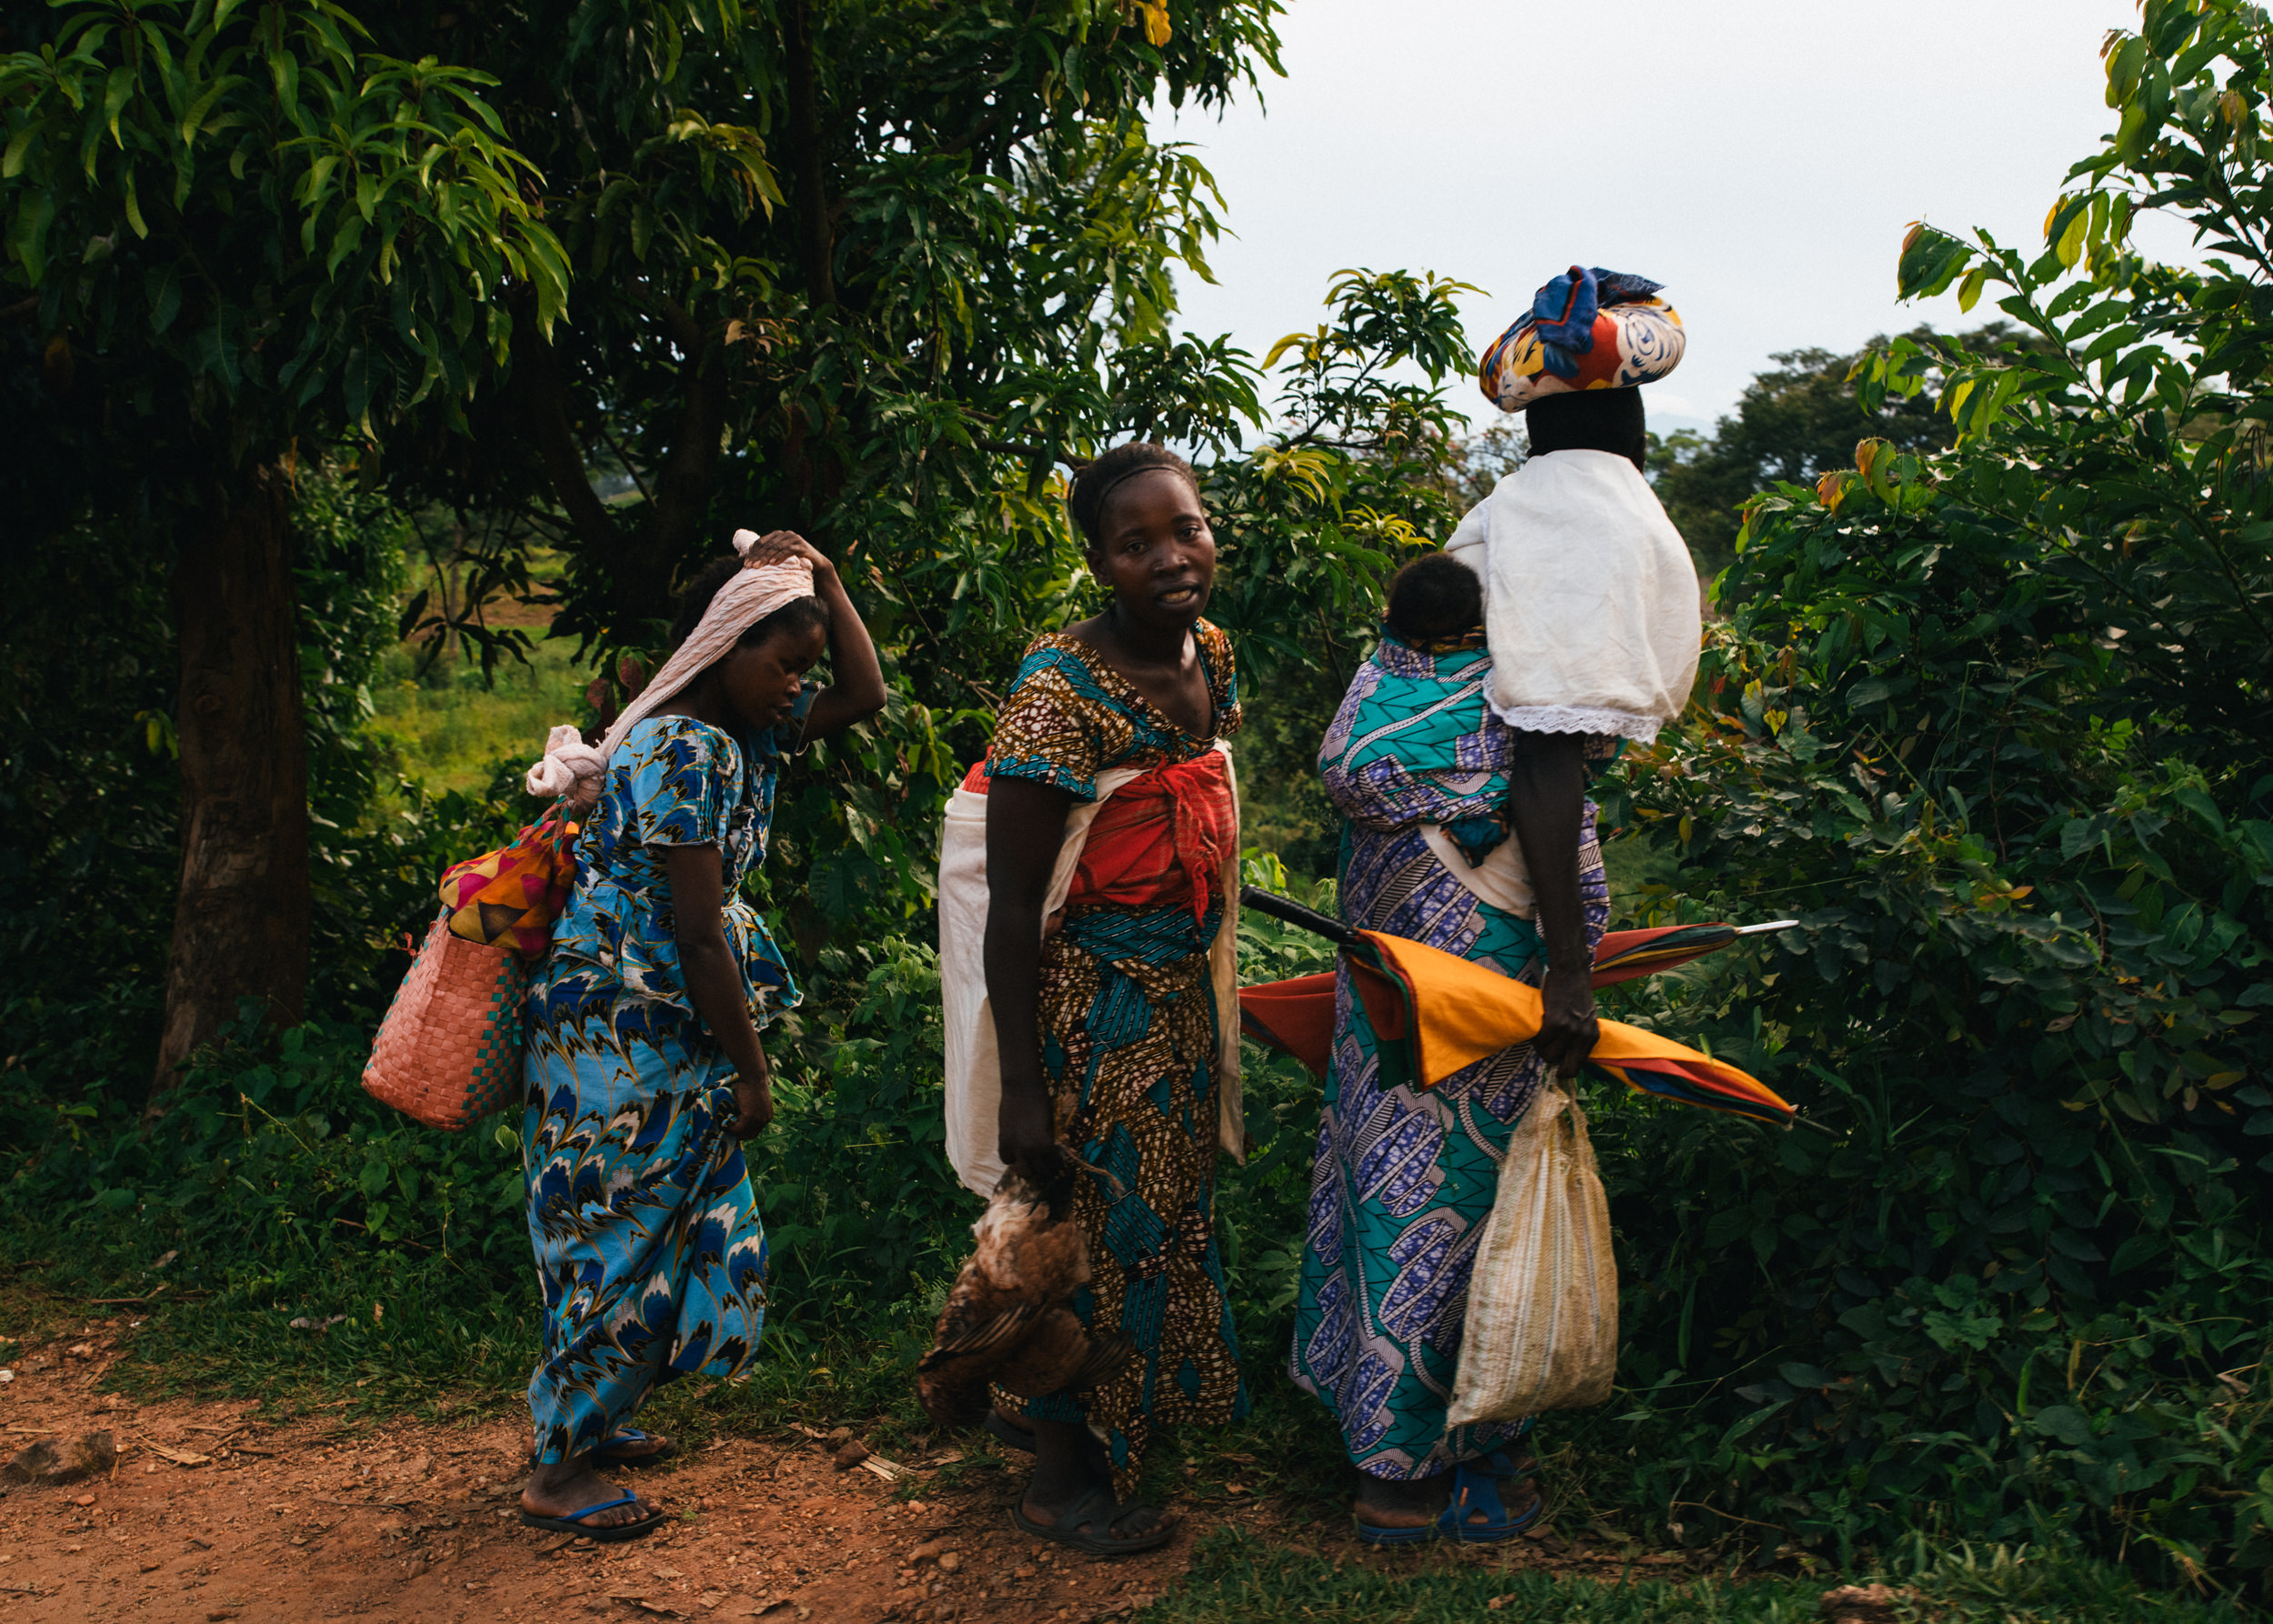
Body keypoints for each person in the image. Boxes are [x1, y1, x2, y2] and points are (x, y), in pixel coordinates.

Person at [1291, 265, 1701, 1545]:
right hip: (1485, 920)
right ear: (1634, 419)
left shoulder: (1500, 513)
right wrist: (1569, 975)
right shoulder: (1615, 528)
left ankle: (1397, 1439)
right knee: (1460, 1182)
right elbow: (1550, 760)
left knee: (1390, 1156)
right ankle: (1416, 1472)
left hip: (1394, 906)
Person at [513, 530, 886, 1542]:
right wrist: (752, 1071)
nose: (797, 686)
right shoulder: (686, 746)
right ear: (725, 644)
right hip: (619, 1020)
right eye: (784, 663)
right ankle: (558, 1469)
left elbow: (868, 696)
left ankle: (593, 1423)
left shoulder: (739, 730)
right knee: (614, 1230)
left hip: (643, 1016)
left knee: (649, 1220)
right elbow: (696, 931)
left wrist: (828, 582)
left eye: (802, 667)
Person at [952, 441, 1247, 1556]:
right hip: (1087, 1006)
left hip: (1175, 993)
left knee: (1159, 1220)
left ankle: (1057, 1421)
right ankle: (1064, 1478)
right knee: (1093, 1233)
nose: (1172, 557)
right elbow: (1016, 905)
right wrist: (1022, 1087)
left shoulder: (1208, 652)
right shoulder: (1054, 698)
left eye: (1188, 528)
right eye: (1138, 543)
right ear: (1097, 560)